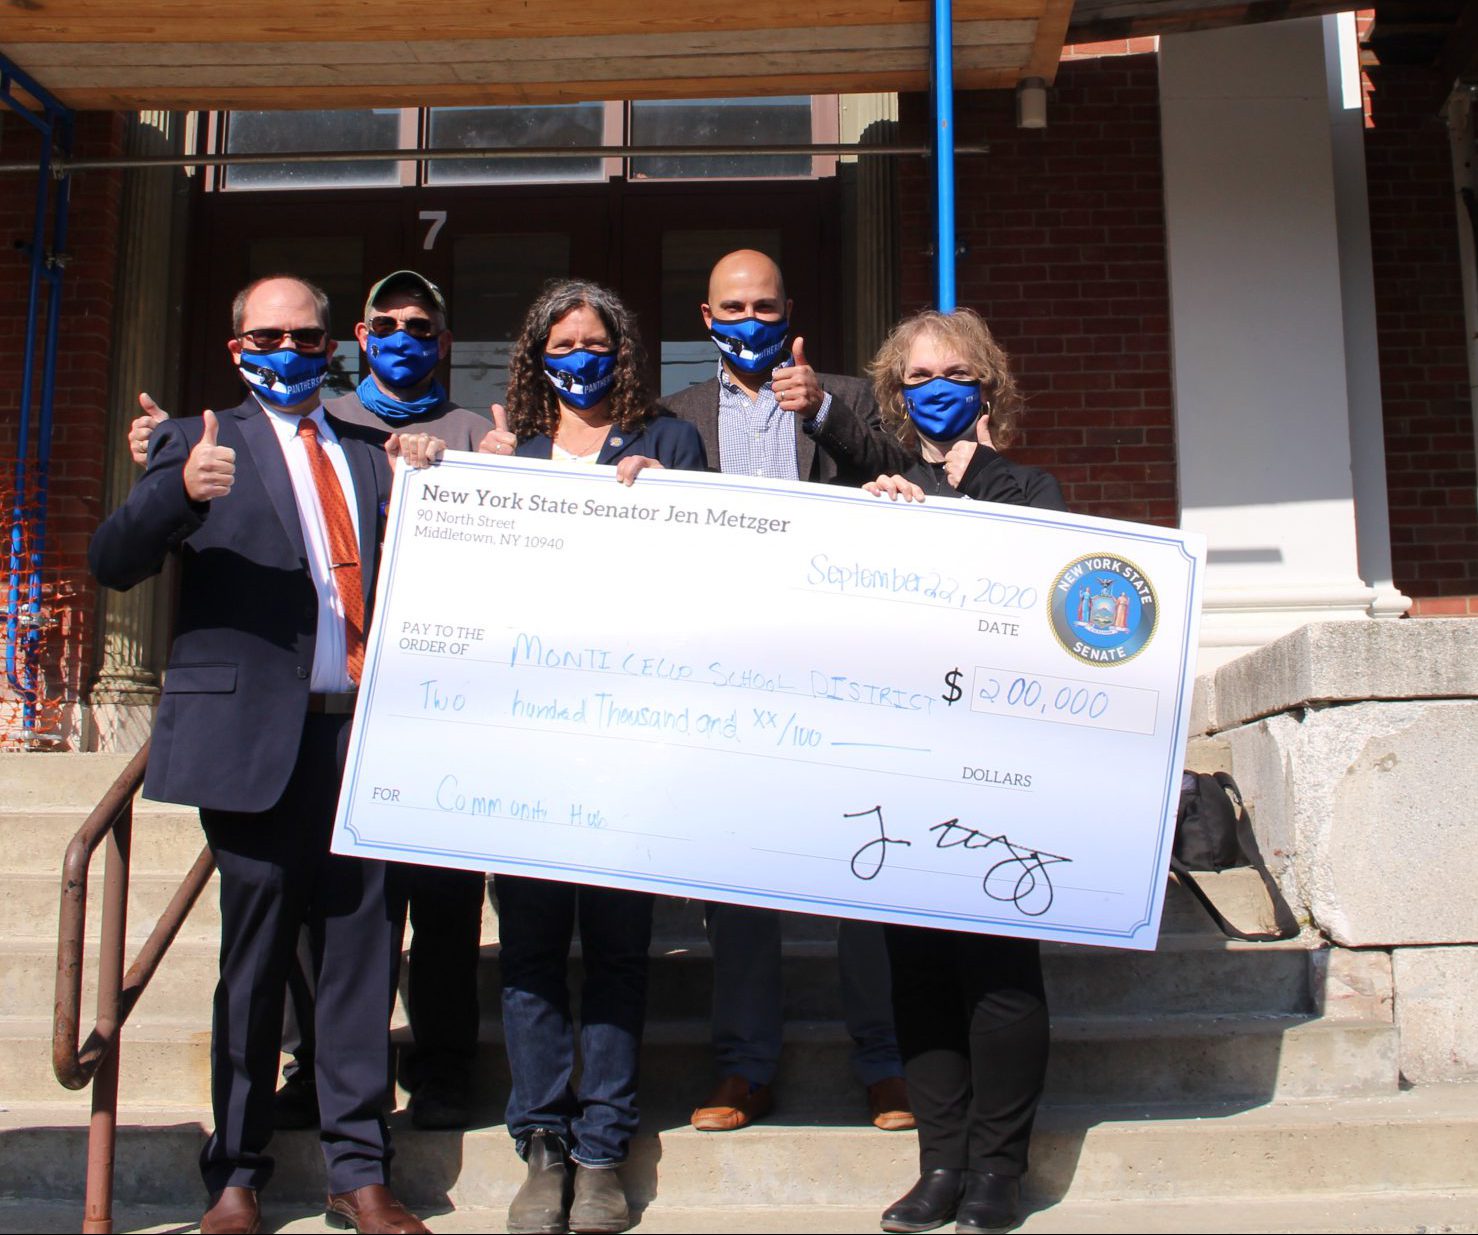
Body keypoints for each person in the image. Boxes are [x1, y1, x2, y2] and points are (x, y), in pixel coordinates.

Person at [90, 275, 443, 1235]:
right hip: (254, 747)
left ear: (335, 345)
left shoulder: (371, 454)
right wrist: (176, 495)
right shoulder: (200, 440)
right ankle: (237, 1174)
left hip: (363, 739)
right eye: (268, 334)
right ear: (238, 341)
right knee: (253, 963)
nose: (288, 349)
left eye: (306, 335)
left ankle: (360, 1172)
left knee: (363, 958)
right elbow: (113, 558)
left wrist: (446, 464)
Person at [662, 249, 918, 1135]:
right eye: (732, 306)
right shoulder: (677, 414)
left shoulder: (844, 393)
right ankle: (744, 1065)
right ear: (705, 315)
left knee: (863, 865)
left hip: (841, 671)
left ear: (790, 308)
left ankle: (888, 1063)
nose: (749, 320)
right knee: (738, 878)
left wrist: (832, 417)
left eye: (764, 305)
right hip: (729, 675)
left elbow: (913, 477)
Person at [477, 279, 705, 1235]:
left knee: (616, 948)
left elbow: (711, 569)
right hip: (526, 744)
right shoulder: (510, 455)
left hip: (629, 740)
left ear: (624, 350)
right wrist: (469, 481)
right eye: (562, 343)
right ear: (537, 354)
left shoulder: (670, 442)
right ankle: (541, 1142)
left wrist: (673, 500)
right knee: (530, 952)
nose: (581, 356)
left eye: (596, 341)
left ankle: (604, 1146)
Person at [862, 306, 1066, 1235]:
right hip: (904, 766)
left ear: (987, 383)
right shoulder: (870, 490)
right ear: (896, 396)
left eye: (954, 372)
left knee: (998, 968)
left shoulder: (1028, 487)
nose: (936, 388)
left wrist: (942, 514)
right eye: (917, 377)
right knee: (919, 971)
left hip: (997, 767)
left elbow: (1037, 595)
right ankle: (938, 1162)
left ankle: (997, 1168)